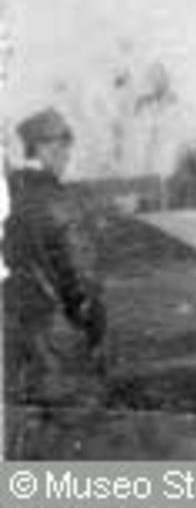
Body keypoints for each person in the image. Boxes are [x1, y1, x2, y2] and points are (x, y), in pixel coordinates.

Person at [4, 108, 107, 456]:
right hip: (55, 332)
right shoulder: (58, 202)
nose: (67, 156)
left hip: (14, 329)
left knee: (20, 429)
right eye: (63, 147)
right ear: (44, 148)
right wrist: (94, 328)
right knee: (69, 433)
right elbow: (83, 278)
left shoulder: (11, 197)